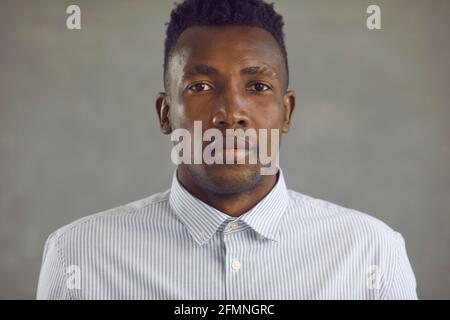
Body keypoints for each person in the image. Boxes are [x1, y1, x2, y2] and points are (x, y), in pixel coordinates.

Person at [37, 0, 417, 299]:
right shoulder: (79, 256)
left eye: (257, 87)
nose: (231, 113)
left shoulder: (372, 253)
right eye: (200, 86)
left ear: (287, 113)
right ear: (166, 114)